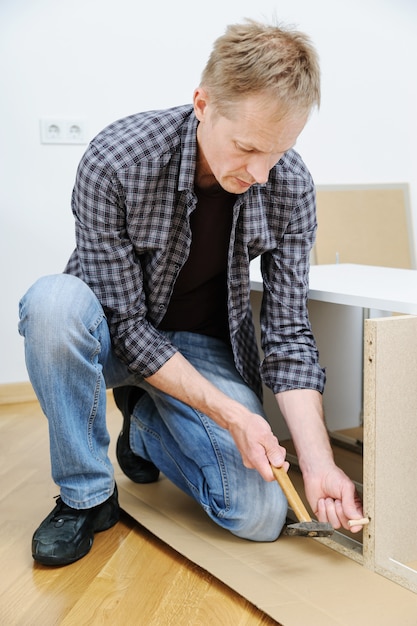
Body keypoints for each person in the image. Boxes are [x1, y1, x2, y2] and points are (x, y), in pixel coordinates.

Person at [19, 19, 364, 566]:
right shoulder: (117, 159)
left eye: (278, 151)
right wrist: (231, 415)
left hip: (199, 345)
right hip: (107, 333)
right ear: (202, 103)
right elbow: (127, 327)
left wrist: (317, 462)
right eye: (247, 147)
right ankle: (87, 496)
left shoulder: (288, 184)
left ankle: (144, 428)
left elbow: (288, 335)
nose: (260, 172)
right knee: (51, 305)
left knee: (260, 515)